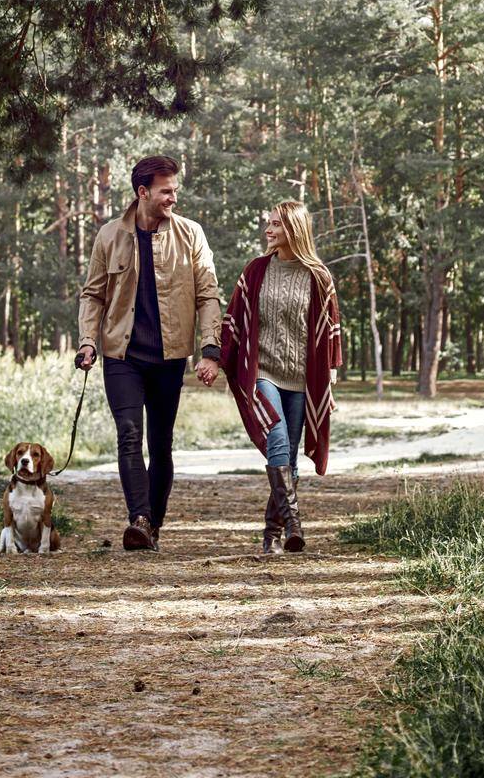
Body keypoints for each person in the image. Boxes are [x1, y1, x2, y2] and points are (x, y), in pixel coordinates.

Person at [76, 154, 222, 551]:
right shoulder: (109, 236)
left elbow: (208, 294)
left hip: (169, 358)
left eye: (175, 190)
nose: (174, 197)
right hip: (122, 356)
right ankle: (138, 520)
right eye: (166, 191)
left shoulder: (191, 234)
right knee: (128, 436)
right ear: (143, 192)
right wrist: (88, 341)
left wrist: (210, 350)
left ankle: (153, 523)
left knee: (160, 445)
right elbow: (93, 295)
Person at [221, 200, 342, 554]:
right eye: (269, 223)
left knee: (288, 459)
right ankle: (294, 525)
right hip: (264, 373)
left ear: (293, 229)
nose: (268, 230)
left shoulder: (318, 277)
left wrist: (329, 378)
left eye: (275, 224)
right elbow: (234, 318)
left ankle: (271, 534)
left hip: (303, 380)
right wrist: (217, 358)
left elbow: (330, 329)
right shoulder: (256, 270)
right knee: (277, 441)